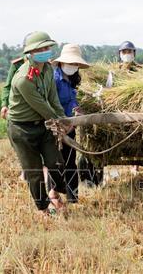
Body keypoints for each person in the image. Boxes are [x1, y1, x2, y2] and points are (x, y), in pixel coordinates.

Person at [7, 31, 67, 216]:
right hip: (22, 129)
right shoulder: (24, 79)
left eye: (48, 47)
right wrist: (60, 122)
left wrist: (63, 118)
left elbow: (52, 98)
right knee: (34, 172)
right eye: (41, 48)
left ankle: (56, 193)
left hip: (42, 125)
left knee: (56, 163)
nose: (46, 51)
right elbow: (42, 107)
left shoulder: (48, 69)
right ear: (30, 53)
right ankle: (43, 209)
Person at [52, 43, 90, 203]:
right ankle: (54, 196)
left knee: (70, 162)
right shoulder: (54, 80)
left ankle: (73, 198)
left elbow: (76, 103)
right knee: (56, 162)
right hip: (56, 128)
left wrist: (78, 112)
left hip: (71, 127)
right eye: (69, 63)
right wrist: (60, 126)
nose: (72, 66)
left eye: (75, 64)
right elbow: (50, 104)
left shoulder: (76, 80)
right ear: (61, 63)